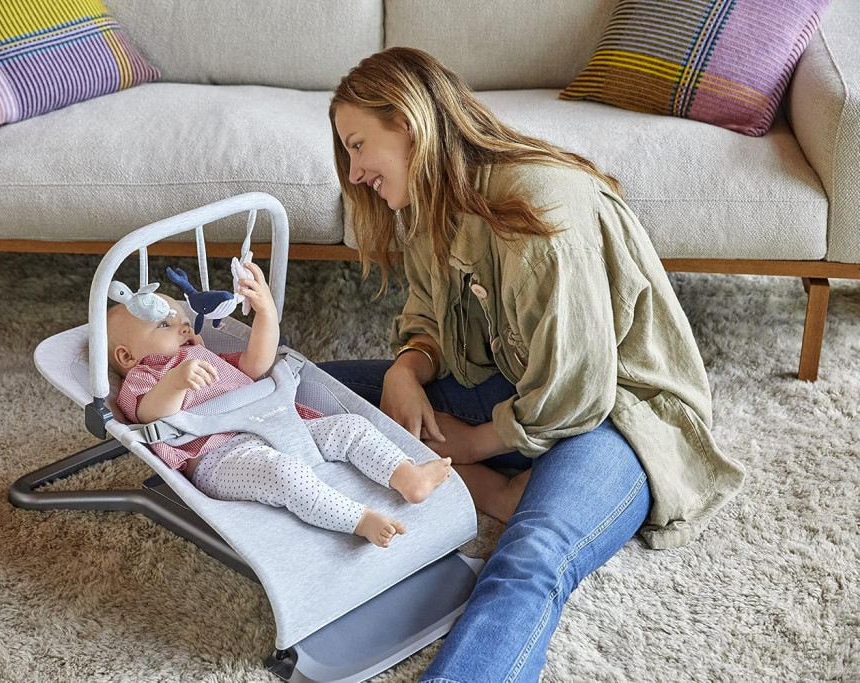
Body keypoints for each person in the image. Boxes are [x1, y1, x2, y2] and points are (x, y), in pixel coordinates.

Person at [320, 46, 746, 681]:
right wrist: (405, 369)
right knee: (311, 390)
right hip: (516, 385)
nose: (354, 173)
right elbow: (429, 316)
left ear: (407, 123)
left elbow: (579, 392)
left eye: (358, 146)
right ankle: (500, 489)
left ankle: (504, 486)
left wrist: (473, 442)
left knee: (532, 557)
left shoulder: (538, 213)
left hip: (618, 416)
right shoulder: (433, 203)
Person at [106, 260, 453, 547]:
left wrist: (266, 314)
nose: (183, 328)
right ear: (127, 356)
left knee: (351, 426)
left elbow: (256, 364)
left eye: (184, 320)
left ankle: (406, 476)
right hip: (220, 457)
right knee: (284, 474)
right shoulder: (146, 375)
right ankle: (358, 519)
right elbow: (151, 414)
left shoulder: (209, 357)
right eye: (164, 324)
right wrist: (175, 382)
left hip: (281, 423)